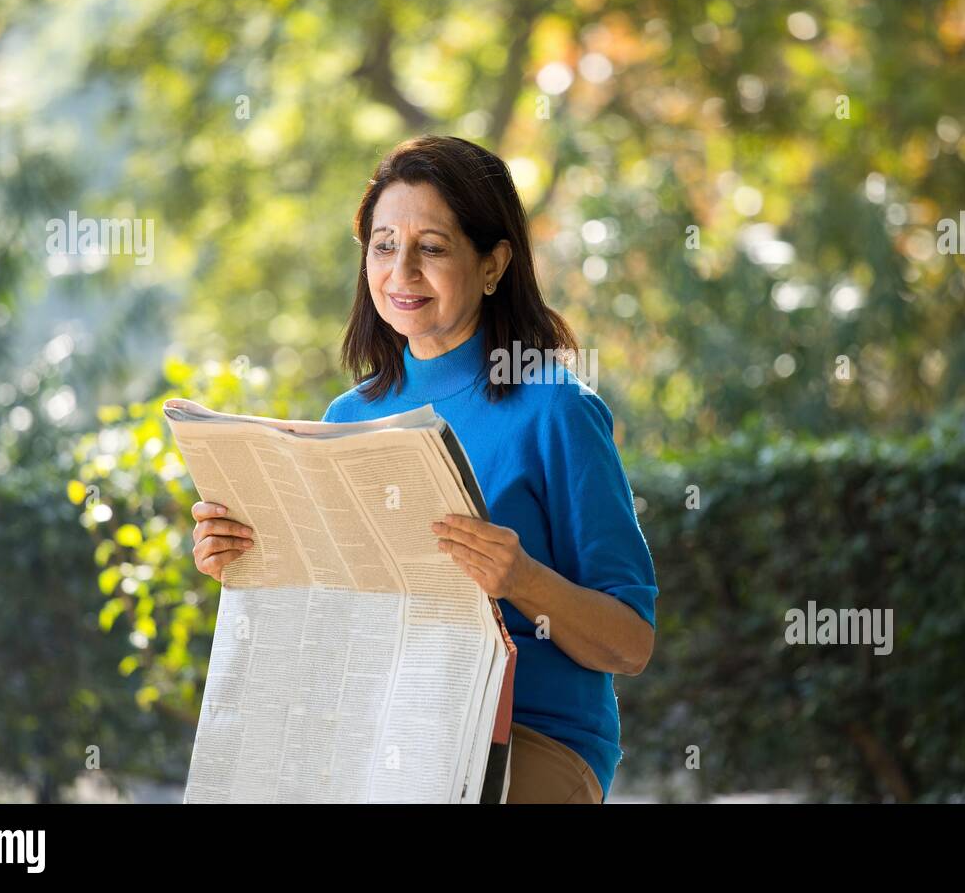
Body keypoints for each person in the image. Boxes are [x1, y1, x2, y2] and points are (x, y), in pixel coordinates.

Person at [190, 135, 658, 803]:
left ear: (493, 263)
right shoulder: (348, 417)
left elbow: (631, 645)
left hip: (528, 739)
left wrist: (521, 578)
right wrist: (242, 557)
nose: (401, 271)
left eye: (432, 247)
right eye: (384, 245)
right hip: (375, 735)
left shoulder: (556, 408)